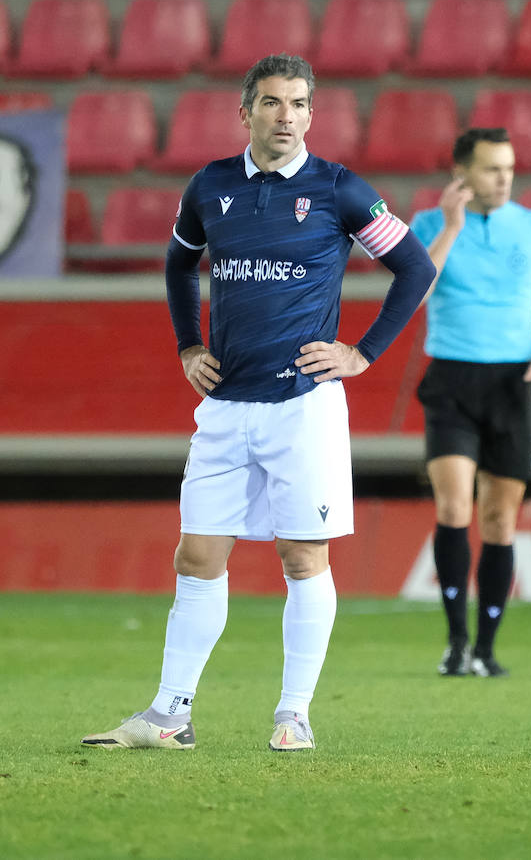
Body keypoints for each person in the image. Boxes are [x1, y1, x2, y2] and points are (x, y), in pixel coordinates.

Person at [81, 54, 436, 754]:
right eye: (272, 103)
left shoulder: (340, 190)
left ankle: (294, 713)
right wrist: (188, 346)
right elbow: (180, 263)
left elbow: (415, 266)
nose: (286, 116)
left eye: (299, 103)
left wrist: (361, 354)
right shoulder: (210, 186)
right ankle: (169, 715)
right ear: (244, 113)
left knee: (303, 559)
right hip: (225, 406)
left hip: (302, 406)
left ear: (312, 113)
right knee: (196, 555)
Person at [410, 127, 531, 678]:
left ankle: (486, 649)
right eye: (490, 168)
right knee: (455, 507)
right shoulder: (428, 224)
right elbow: (415, 292)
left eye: (508, 167)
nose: (504, 178)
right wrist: (453, 227)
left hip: (514, 383)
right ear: (461, 172)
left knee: (500, 518)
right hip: (452, 380)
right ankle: (456, 644)